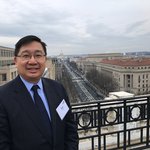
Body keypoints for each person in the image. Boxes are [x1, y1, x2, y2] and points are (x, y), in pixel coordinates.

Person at [0, 35, 79, 150]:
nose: (32, 61)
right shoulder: (3, 97)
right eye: (26, 56)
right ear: (15, 61)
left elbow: (70, 128)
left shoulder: (58, 89)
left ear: (45, 59)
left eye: (38, 55)